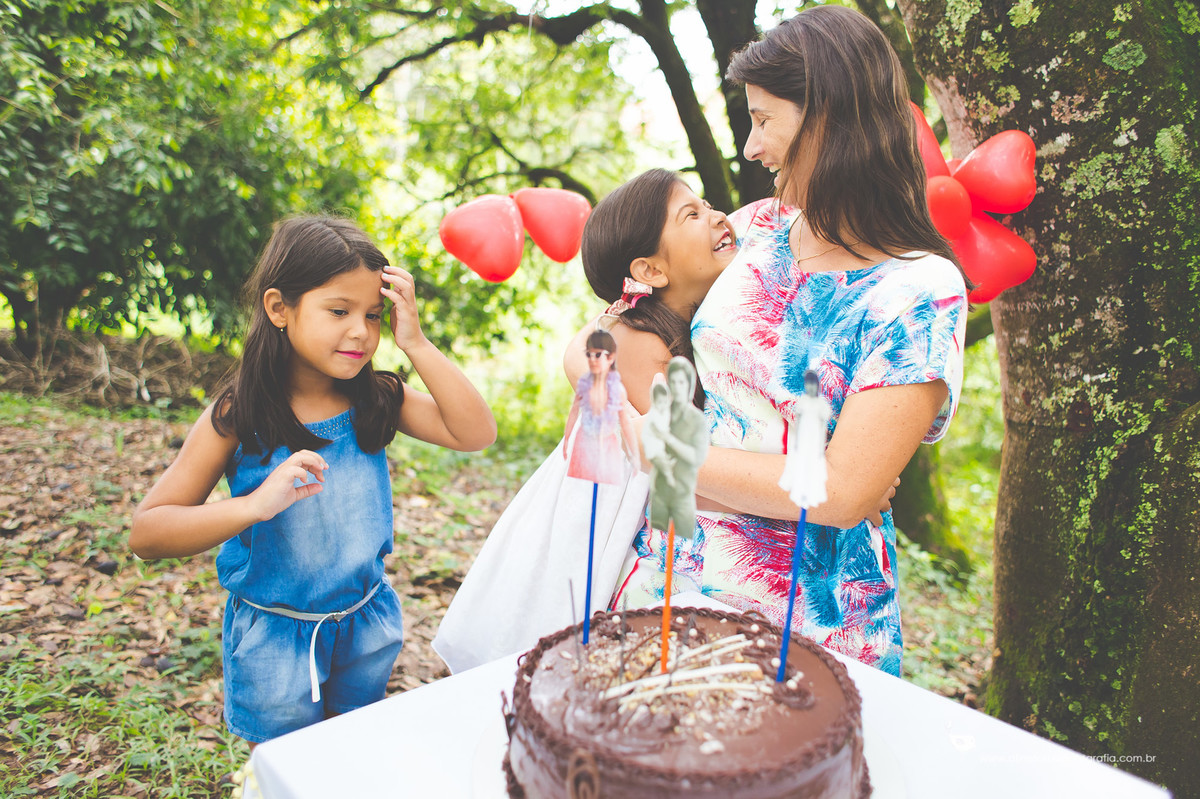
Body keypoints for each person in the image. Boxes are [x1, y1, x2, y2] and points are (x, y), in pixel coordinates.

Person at [611, 6, 970, 677]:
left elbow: (838, 493)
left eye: (763, 119)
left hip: (807, 627)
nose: (750, 146)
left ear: (826, 118)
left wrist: (659, 449)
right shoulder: (754, 228)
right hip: (667, 581)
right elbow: (609, 330)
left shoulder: (920, 290)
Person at [129, 216, 496, 744]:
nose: (361, 332)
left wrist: (414, 340)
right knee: (287, 772)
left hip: (364, 625)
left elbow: (475, 432)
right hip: (276, 639)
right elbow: (148, 533)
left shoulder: (376, 398)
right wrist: (255, 505)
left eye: (373, 315)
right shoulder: (240, 413)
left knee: (345, 760)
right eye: (339, 311)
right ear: (280, 308)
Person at [432, 169, 738, 674]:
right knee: (555, 641)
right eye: (692, 214)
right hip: (601, 517)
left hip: (609, 501)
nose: (716, 215)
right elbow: (679, 461)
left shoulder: (645, 326)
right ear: (652, 270)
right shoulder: (647, 345)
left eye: (706, 204)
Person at [563, 329, 638, 485]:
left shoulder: (617, 388)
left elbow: (625, 422)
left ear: (610, 358)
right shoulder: (585, 383)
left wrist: (635, 453)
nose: (592, 360)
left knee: (605, 492)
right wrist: (567, 440)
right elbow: (574, 412)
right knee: (580, 489)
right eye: (589, 355)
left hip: (608, 443)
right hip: (583, 440)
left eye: (598, 355)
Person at [646, 357, 708, 537]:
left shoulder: (697, 419)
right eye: (673, 381)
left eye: (681, 382)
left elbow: (696, 457)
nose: (677, 387)